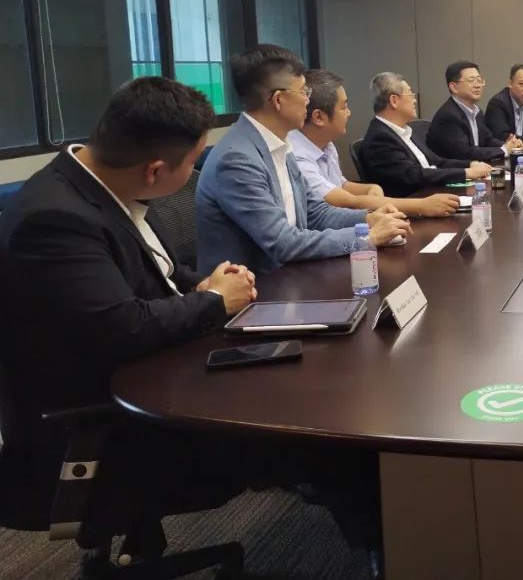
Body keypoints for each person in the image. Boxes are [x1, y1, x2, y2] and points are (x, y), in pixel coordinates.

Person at [0, 77, 255, 532]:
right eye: (193, 162)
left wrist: (209, 284)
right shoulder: (55, 219)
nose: (194, 174)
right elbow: (123, 327)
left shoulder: (109, 185)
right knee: (294, 438)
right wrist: (215, 300)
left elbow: (161, 274)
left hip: (149, 377)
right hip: (107, 426)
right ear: (155, 171)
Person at [196, 45, 410, 274]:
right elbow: (283, 243)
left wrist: (368, 219)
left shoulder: (280, 142)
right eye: (303, 92)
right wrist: (367, 237)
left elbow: (313, 212)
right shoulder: (237, 159)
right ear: (278, 100)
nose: (308, 101)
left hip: (291, 275)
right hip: (257, 286)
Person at [288, 69, 459, 217]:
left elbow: (341, 185)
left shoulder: (326, 144)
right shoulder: (296, 156)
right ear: (319, 117)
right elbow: (347, 201)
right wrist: (422, 206)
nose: (349, 113)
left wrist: (371, 188)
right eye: (344, 107)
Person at [360, 72, 493, 198]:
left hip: (432, 193)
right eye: (410, 94)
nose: (415, 100)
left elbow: (437, 162)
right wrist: (466, 173)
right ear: (394, 101)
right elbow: (414, 175)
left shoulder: (407, 130)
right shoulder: (380, 138)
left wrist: (471, 164)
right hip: (414, 203)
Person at [428, 60, 523, 162]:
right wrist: (504, 150)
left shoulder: (477, 112)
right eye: (471, 81)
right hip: (456, 170)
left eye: (479, 80)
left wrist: (509, 145)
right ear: (454, 87)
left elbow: (487, 140)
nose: (478, 85)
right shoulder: (449, 116)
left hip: (478, 166)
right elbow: (464, 152)